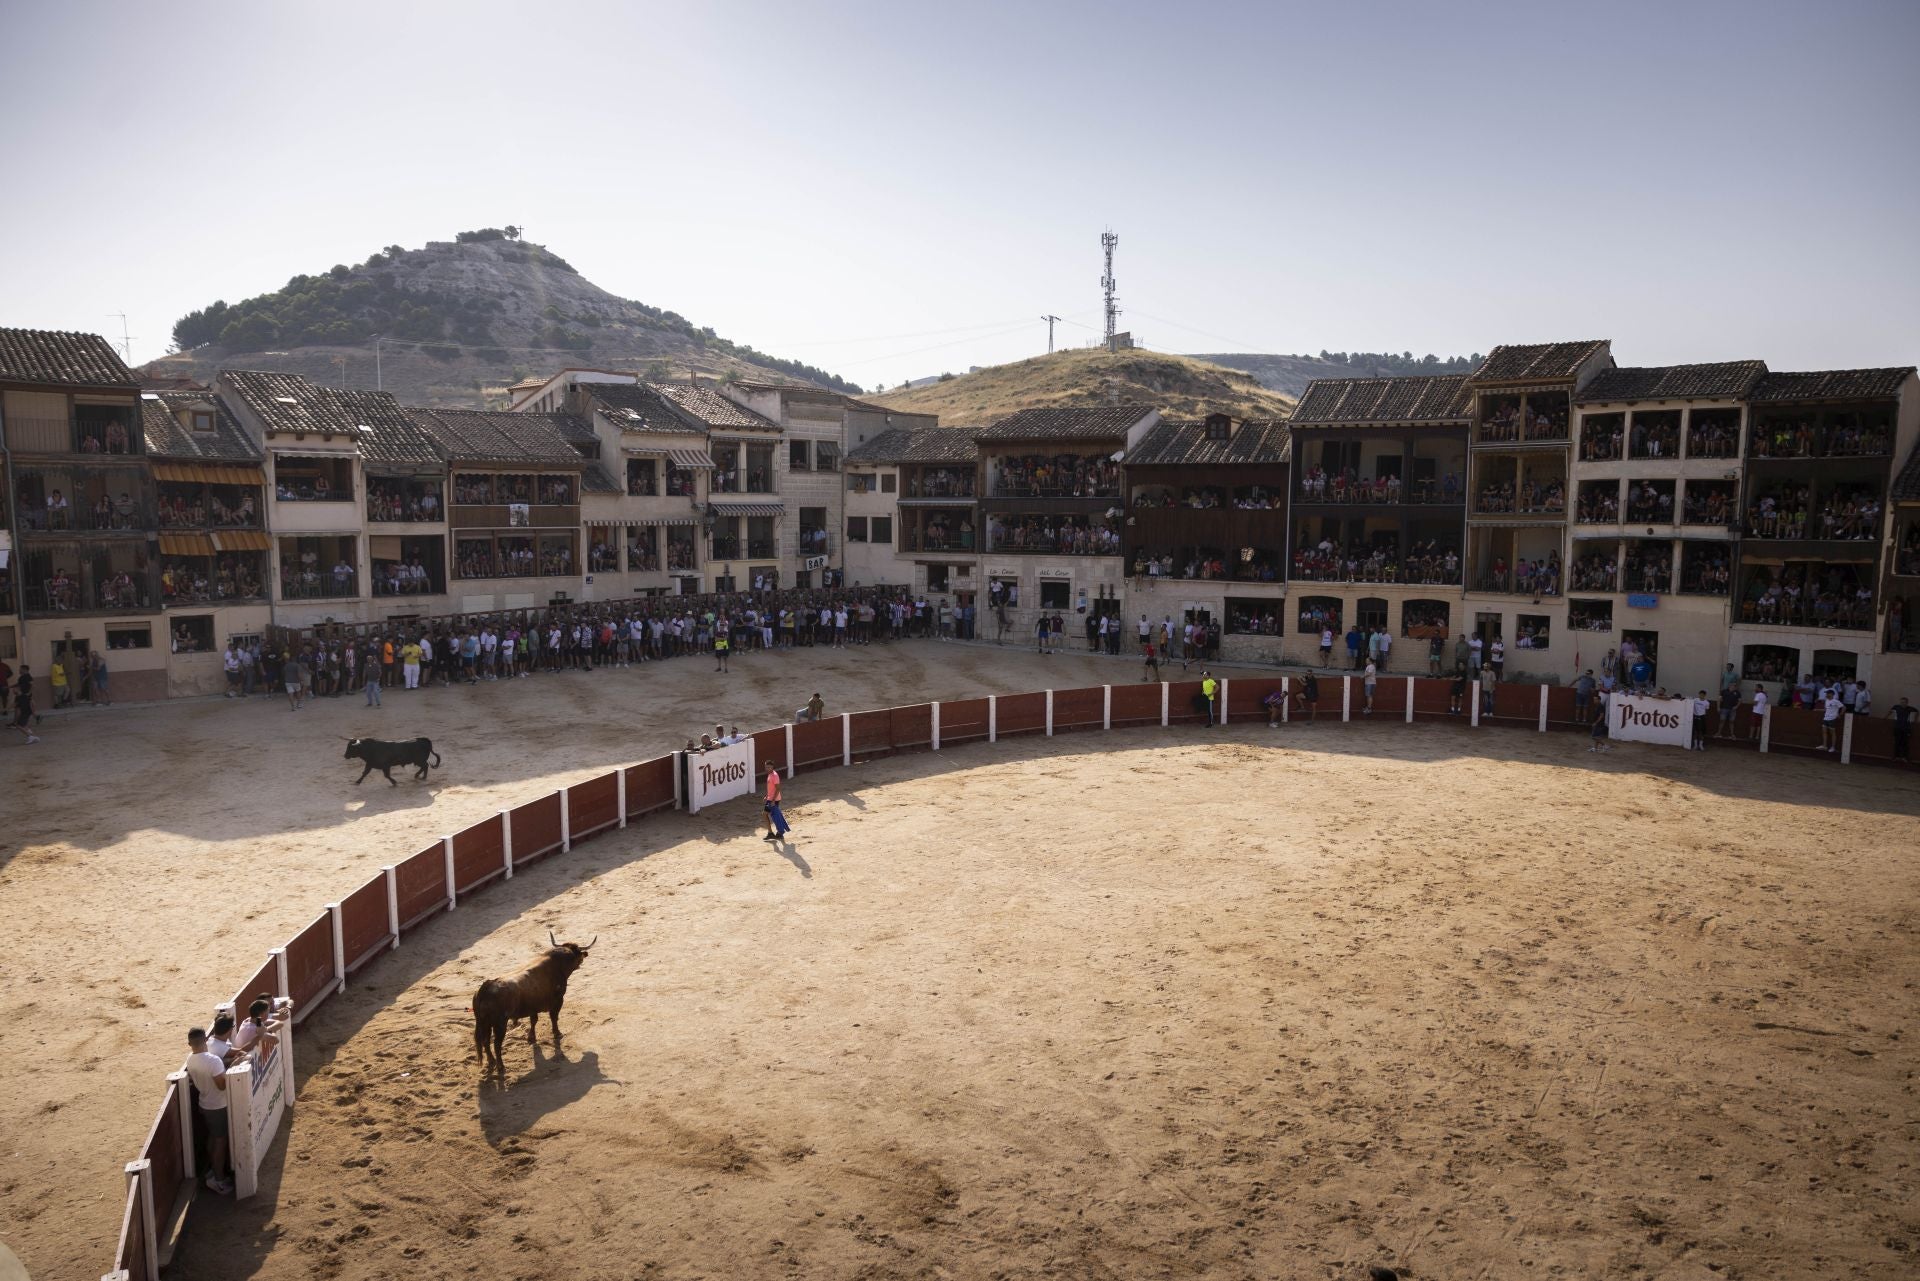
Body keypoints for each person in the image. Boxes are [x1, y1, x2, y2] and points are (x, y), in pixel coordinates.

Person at [184, 1027, 234, 1194]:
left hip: (205, 1103)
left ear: (189, 1043)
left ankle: (213, 1170)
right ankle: (218, 1180)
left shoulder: (190, 1059)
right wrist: (234, 1066)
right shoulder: (213, 1061)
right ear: (206, 1039)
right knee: (220, 1142)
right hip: (218, 1105)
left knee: (213, 1137)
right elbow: (222, 1086)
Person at [10, 664, 39, 744]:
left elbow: (32, 686)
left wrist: (28, 693)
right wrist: (10, 686)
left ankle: (30, 736)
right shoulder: (21, 678)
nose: (19, 670)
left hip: (25, 700)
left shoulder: (28, 677)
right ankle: (31, 735)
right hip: (24, 703)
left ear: (24, 669)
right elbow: (18, 685)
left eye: (20, 669)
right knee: (23, 722)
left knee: (20, 723)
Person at [762, 766, 791, 842]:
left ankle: (777, 833)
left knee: (770, 815)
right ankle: (775, 833)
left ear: (772, 767)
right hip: (771, 798)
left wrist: (773, 800)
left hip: (773, 799)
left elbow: (778, 788)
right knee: (775, 814)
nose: (767, 769)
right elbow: (771, 788)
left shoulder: (774, 775)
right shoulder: (770, 774)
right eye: (766, 767)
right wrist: (767, 795)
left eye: (769, 767)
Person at [1820, 685, 1844, 752]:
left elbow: (1843, 707)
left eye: (1828, 693)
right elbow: (1826, 709)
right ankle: (1824, 746)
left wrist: (1840, 714)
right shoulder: (1826, 701)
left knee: (1832, 733)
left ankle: (1833, 747)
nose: (1826, 694)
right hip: (1826, 718)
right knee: (1824, 732)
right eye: (1826, 693)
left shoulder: (1835, 701)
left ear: (1832, 694)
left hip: (1832, 718)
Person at [1891, 696, 1915, 764]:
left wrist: (1915, 720)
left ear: (1907, 703)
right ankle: (1896, 756)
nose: (1902, 703)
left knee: (1905, 743)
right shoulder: (1896, 707)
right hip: (1897, 727)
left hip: (1906, 728)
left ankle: (1904, 757)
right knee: (1897, 742)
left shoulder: (1910, 709)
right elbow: (1890, 711)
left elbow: (1917, 711)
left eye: (1904, 702)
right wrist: (1885, 718)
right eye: (1901, 702)